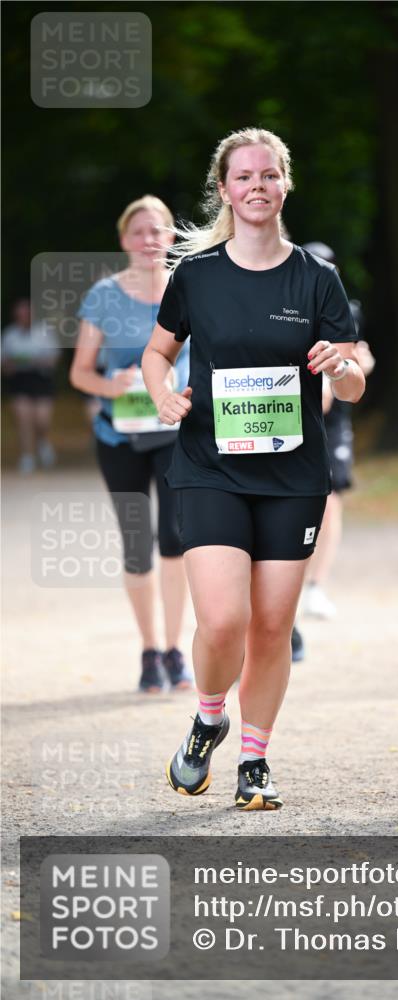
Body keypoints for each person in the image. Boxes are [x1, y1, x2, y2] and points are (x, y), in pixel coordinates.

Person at [142, 128, 365, 810]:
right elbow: (157, 353)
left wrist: (342, 368)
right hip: (210, 466)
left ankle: (255, 760)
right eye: (243, 177)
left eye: (268, 175)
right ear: (225, 190)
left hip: (292, 477)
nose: (257, 186)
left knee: (272, 625)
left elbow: (353, 382)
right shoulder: (197, 277)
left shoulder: (316, 278)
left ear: (284, 185)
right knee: (222, 621)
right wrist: (162, 392)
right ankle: (210, 715)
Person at [70, 196, 192, 694]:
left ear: (171, 238)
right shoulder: (104, 295)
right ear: (124, 240)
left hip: (174, 431)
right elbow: (80, 373)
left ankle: (175, 650)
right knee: (137, 546)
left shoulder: (188, 289)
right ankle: (148, 651)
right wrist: (112, 386)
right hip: (117, 436)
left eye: (159, 230)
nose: (150, 240)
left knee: (177, 541)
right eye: (139, 231)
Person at [299, 241, 376, 621]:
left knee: (331, 500)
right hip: (292, 414)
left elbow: (359, 360)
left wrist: (360, 367)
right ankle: (293, 587)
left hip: (334, 421)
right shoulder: (284, 305)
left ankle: (316, 586)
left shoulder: (349, 310)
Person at [1, 298, 60, 473]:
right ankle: (27, 455)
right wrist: (10, 365)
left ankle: (42, 441)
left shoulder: (45, 332)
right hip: (20, 381)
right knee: (24, 420)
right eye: (21, 313)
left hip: (42, 381)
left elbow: (54, 359)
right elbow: (4, 364)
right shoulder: (9, 334)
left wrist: (36, 360)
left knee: (42, 420)